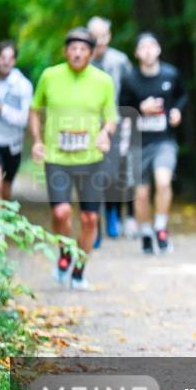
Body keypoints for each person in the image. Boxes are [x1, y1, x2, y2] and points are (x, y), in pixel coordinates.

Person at [29, 28, 117, 290]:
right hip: (57, 157)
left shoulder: (103, 80)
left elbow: (111, 117)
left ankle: (79, 270)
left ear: (91, 53)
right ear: (65, 51)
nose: (77, 53)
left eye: (83, 49)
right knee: (61, 211)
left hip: (90, 158)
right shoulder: (50, 76)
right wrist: (37, 140)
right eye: (73, 48)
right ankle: (65, 252)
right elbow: (34, 110)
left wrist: (105, 133)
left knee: (90, 219)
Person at [119, 33, 186, 254]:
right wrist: (141, 109)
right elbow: (121, 110)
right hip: (138, 143)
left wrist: (176, 110)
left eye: (152, 46)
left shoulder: (171, 74)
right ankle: (145, 231)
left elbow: (182, 96)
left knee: (164, 182)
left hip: (164, 141)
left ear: (158, 49)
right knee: (141, 193)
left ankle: (160, 227)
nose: (148, 51)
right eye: (143, 47)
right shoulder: (130, 79)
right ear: (137, 53)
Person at [88, 16, 135, 240]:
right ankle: (93, 221)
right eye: (94, 37)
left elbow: (131, 90)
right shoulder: (81, 60)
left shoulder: (120, 60)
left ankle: (112, 213)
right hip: (86, 126)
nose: (99, 41)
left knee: (113, 173)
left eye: (103, 36)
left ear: (109, 36)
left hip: (114, 123)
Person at [0, 41, 33, 200]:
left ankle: (3, 220)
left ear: (14, 61)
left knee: (6, 189)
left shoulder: (23, 85)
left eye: (10, 58)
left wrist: (3, 109)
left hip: (13, 144)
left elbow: (24, 119)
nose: (6, 61)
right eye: (2, 57)